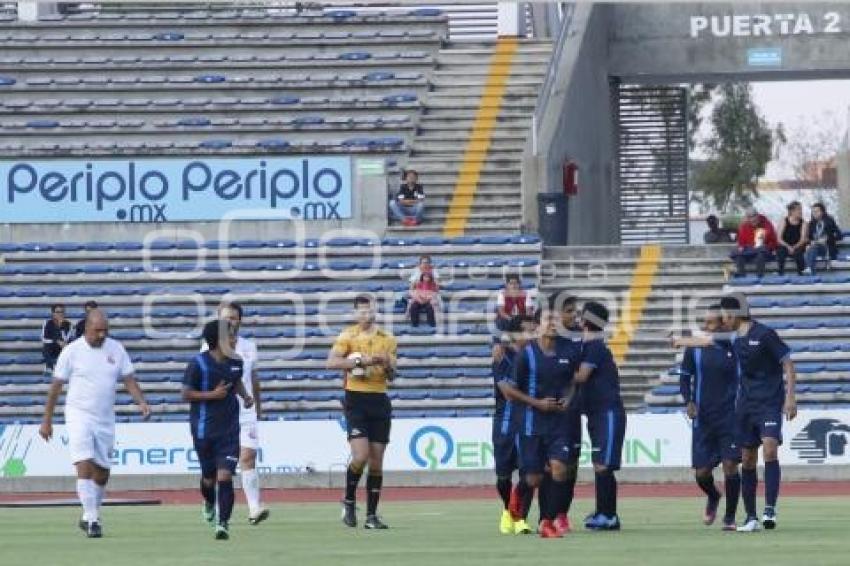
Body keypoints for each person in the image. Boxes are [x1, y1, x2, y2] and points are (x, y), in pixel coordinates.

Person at [39, 309, 151, 538]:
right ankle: (92, 520)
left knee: (102, 473)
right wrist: (47, 421)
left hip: (105, 417)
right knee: (84, 464)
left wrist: (141, 402)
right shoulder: (72, 352)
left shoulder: (116, 348)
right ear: (87, 328)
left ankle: (90, 513)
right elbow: (55, 388)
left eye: (105, 331)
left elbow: (128, 379)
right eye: (97, 330)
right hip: (78, 413)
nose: (101, 335)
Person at [500, 303, 580, 538]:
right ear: (539, 326)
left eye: (556, 320)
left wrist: (568, 398)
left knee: (559, 470)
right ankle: (518, 493)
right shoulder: (527, 354)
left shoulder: (568, 351)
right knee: (534, 477)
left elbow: (573, 382)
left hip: (559, 422)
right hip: (532, 421)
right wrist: (536, 403)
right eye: (548, 320)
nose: (553, 324)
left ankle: (546, 521)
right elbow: (510, 390)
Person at [721, 294, 797, 532]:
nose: (723, 321)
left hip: (769, 403)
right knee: (747, 459)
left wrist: (791, 396)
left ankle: (770, 509)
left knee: (770, 448)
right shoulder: (734, 339)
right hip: (745, 406)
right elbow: (706, 341)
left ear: (734, 314)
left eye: (724, 316)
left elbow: (788, 363)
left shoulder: (765, 334)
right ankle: (751, 517)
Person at [327, 294, 398, 530]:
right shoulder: (348, 335)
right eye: (361, 311)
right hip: (355, 399)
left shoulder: (387, 339)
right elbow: (332, 363)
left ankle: (371, 516)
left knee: (376, 463)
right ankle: (348, 500)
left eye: (370, 310)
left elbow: (393, 375)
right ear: (355, 313)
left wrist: (386, 364)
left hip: (379, 400)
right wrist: (360, 362)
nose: (366, 314)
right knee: (360, 456)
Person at [184, 319, 254, 541]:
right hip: (203, 430)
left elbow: (236, 382)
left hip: (229, 430)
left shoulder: (236, 362)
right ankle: (208, 501)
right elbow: (186, 394)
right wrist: (211, 396)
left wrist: (245, 396)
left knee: (225, 476)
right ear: (218, 341)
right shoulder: (197, 364)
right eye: (230, 337)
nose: (235, 340)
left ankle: (222, 523)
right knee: (208, 478)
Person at [201, 303, 268, 525]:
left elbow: (253, 378)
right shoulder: (208, 346)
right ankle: (213, 504)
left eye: (235, 317)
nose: (231, 321)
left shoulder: (249, 346)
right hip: (219, 413)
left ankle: (254, 508)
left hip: (245, 411)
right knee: (217, 469)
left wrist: (258, 404)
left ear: (241, 320)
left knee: (248, 456)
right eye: (226, 318)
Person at [678, 305, 741, 531]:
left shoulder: (734, 346)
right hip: (704, 419)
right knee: (702, 473)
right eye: (704, 324)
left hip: (730, 417)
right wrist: (688, 401)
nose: (706, 328)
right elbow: (685, 378)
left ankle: (730, 518)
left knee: (730, 466)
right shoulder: (694, 349)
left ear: (723, 324)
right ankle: (714, 495)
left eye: (711, 323)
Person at [573, 301, 626, 531]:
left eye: (580, 315)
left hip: (608, 412)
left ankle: (609, 515)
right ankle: (604, 511)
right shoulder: (588, 345)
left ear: (586, 320)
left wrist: (555, 371)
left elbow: (582, 376)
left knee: (604, 465)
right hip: (596, 413)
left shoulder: (594, 347)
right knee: (599, 464)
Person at [492, 315, 536, 536]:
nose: (532, 335)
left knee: (528, 473)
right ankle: (507, 510)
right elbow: (507, 393)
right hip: (504, 423)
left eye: (534, 330)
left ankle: (520, 517)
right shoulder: (502, 358)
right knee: (503, 477)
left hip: (528, 422)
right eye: (528, 331)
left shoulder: (537, 357)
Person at [732, 208, 778, 278]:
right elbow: (741, 242)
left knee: (760, 254)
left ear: (758, 216)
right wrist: (741, 247)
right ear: (747, 219)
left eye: (754, 216)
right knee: (739, 256)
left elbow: (773, 241)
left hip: (763, 252)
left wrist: (768, 247)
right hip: (748, 252)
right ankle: (742, 277)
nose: (753, 219)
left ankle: (760, 278)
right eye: (750, 217)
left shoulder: (766, 224)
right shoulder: (743, 226)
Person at [804, 202, 843, 275]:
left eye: (817, 211)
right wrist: (809, 243)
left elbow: (839, 236)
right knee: (810, 248)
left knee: (812, 249)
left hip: (827, 247)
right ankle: (811, 270)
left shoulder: (829, 221)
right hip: (815, 248)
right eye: (813, 212)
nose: (815, 213)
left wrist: (827, 239)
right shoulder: (811, 224)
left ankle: (809, 268)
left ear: (822, 212)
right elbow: (809, 238)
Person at [775, 201, 807, 276]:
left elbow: (802, 239)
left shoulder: (804, 223)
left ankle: (801, 273)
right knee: (780, 251)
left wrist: (794, 247)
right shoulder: (784, 221)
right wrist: (788, 247)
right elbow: (779, 238)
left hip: (797, 245)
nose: (800, 211)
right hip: (785, 245)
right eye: (798, 209)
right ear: (792, 211)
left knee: (799, 253)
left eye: (801, 209)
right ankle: (780, 272)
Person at [42, 303, 72, 372]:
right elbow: (44, 339)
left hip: (63, 347)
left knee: (68, 347)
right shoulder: (47, 323)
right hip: (51, 347)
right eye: (58, 312)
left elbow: (66, 339)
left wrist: (61, 327)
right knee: (46, 347)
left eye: (62, 312)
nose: (60, 314)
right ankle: (50, 367)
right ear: (53, 313)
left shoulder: (68, 324)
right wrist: (56, 341)